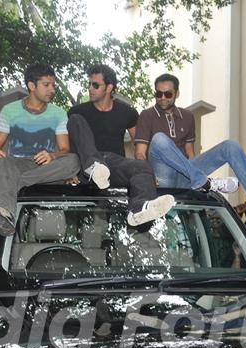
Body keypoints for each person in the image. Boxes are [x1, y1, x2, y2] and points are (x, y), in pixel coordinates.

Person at [134, 73, 246, 220]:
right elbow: (140, 154)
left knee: (230, 146)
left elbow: (190, 153)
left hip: (186, 175)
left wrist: (194, 175)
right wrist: (148, 178)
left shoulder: (187, 116)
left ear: (177, 94)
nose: (162, 98)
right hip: (162, 177)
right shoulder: (147, 115)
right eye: (158, 94)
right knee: (159, 139)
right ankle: (204, 182)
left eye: (167, 94)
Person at [0, 63, 81, 236]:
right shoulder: (9, 111)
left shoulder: (59, 113)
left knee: (74, 161)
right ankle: (5, 215)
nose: (52, 89)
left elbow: (64, 149)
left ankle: (9, 189)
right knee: (5, 162)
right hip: (18, 165)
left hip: (47, 170)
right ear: (32, 86)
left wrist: (53, 155)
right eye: (46, 85)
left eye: (53, 85)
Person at [67, 64, 175, 227]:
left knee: (143, 167)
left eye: (95, 85)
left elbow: (138, 144)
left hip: (112, 167)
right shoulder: (77, 112)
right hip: (85, 167)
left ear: (109, 87)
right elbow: (69, 145)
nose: (90, 89)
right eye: (89, 84)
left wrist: (150, 174)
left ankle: (139, 209)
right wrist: (69, 171)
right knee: (75, 119)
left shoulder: (127, 112)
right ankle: (94, 166)